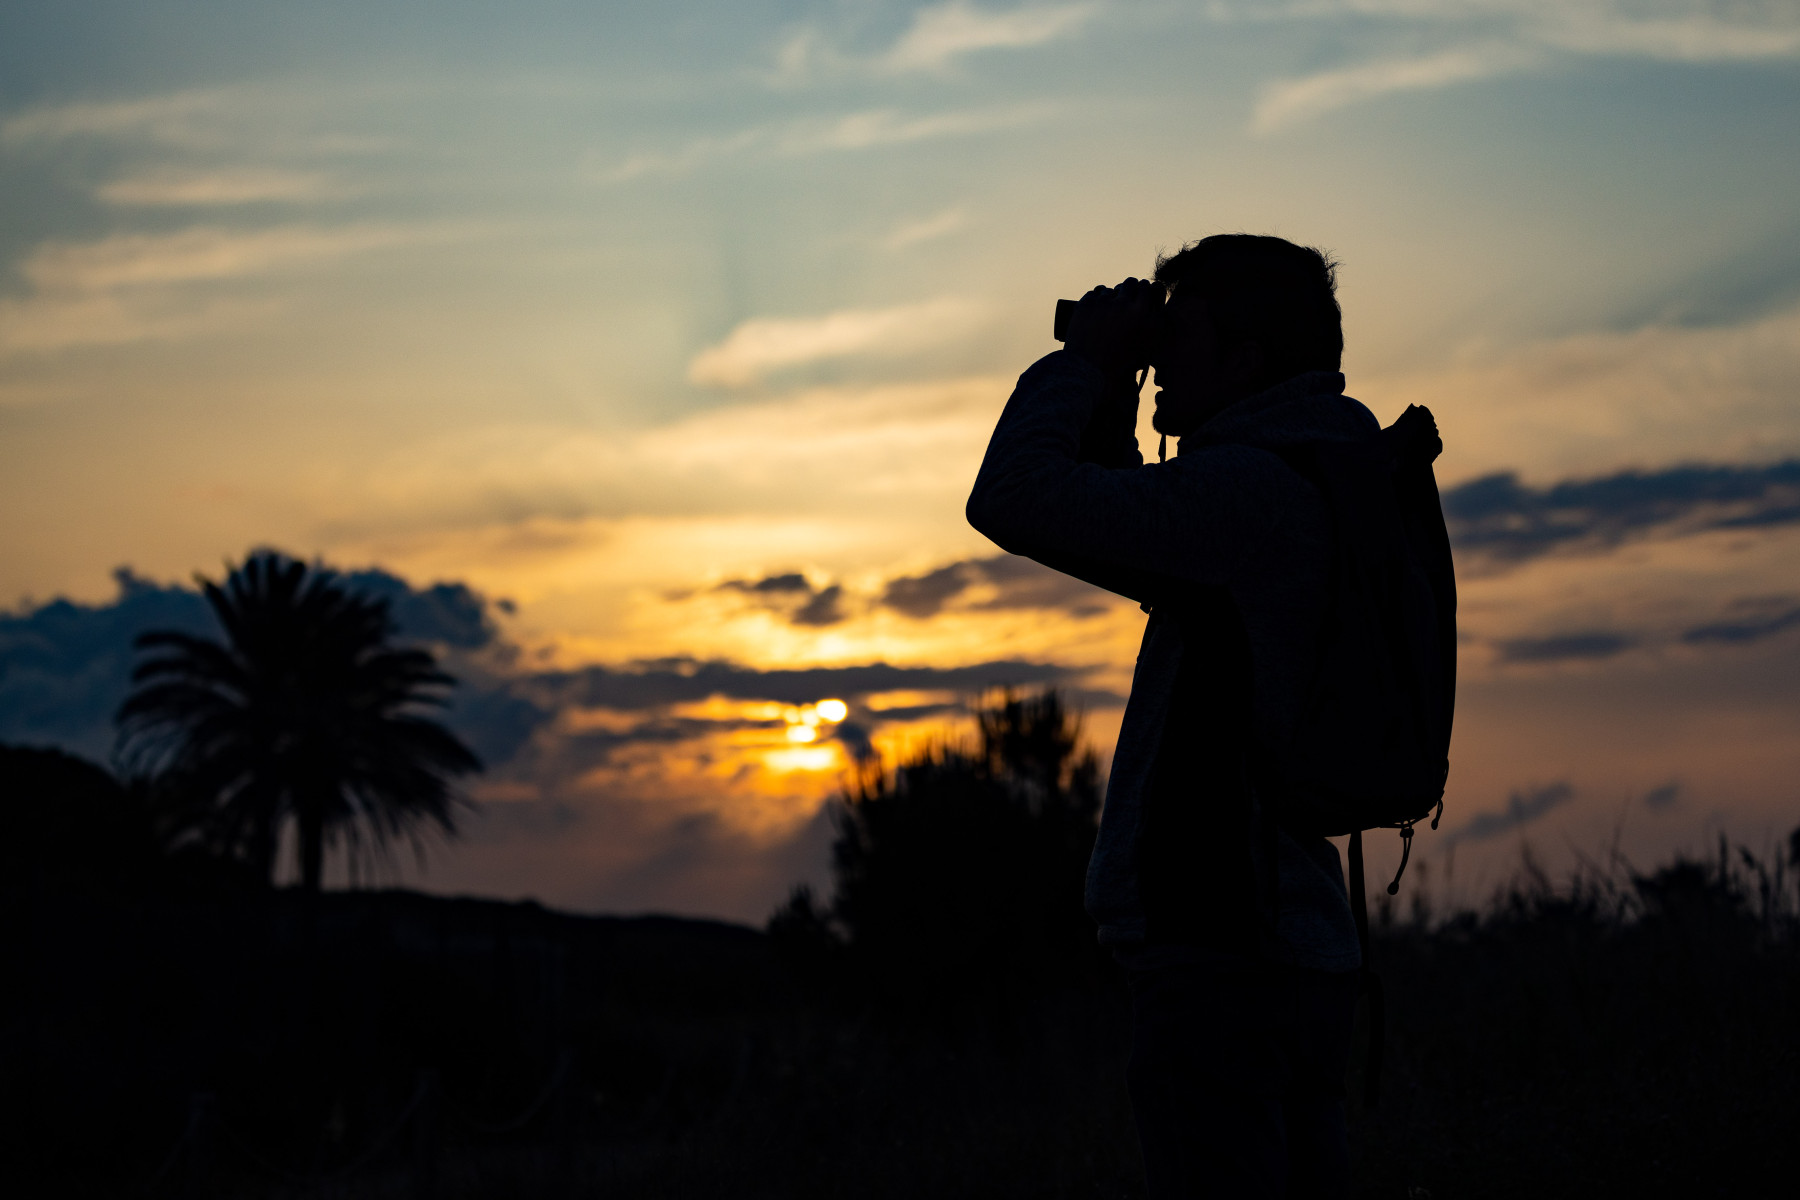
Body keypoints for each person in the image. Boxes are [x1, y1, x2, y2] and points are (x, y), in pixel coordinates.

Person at [966, 234, 1369, 1198]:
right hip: (1293, 954)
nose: (1158, 364)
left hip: (1226, 956)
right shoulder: (1303, 480)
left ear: (1245, 360)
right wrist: (1109, 389)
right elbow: (1119, 523)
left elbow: (1015, 498)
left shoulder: (1251, 492)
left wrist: (1082, 364)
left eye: (1177, 338)